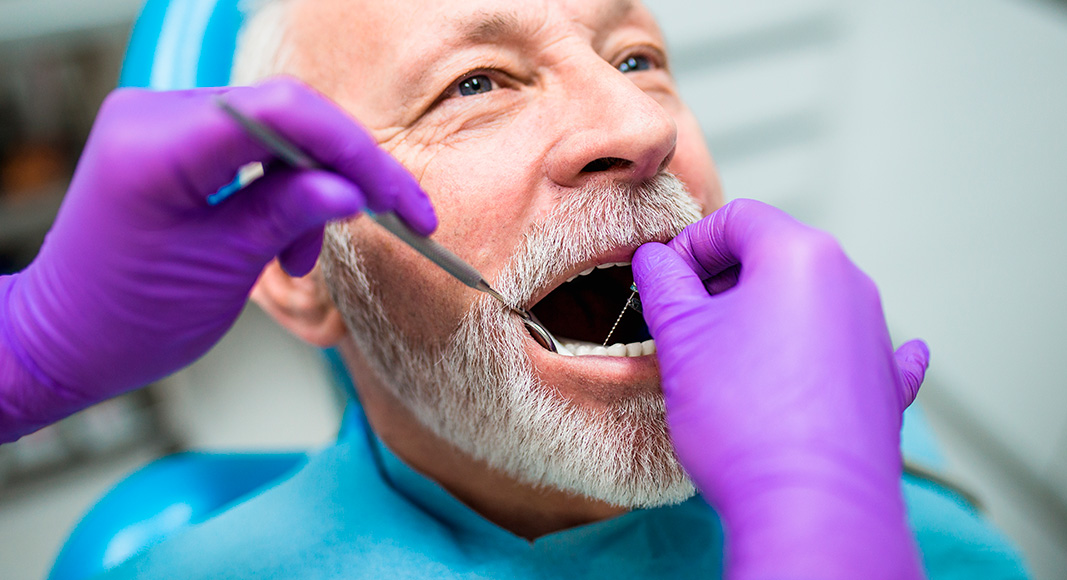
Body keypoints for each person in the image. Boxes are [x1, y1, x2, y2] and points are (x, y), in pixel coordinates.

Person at [0, 0, 1027, 578]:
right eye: (475, 84)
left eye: (635, 56)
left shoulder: (906, 492)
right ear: (299, 264)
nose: (635, 126)